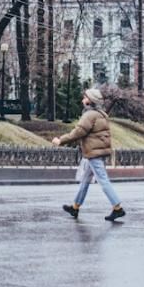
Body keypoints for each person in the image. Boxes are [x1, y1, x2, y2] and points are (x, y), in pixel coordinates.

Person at [52, 87, 126, 222]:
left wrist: (60, 140)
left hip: (94, 153)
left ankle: (117, 208)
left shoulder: (89, 115)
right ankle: (75, 207)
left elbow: (78, 132)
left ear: (90, 101)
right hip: (98, 151)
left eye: (85, 97)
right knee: (85, 180)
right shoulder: (100, 114)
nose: (82, 99)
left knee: (103, 180)